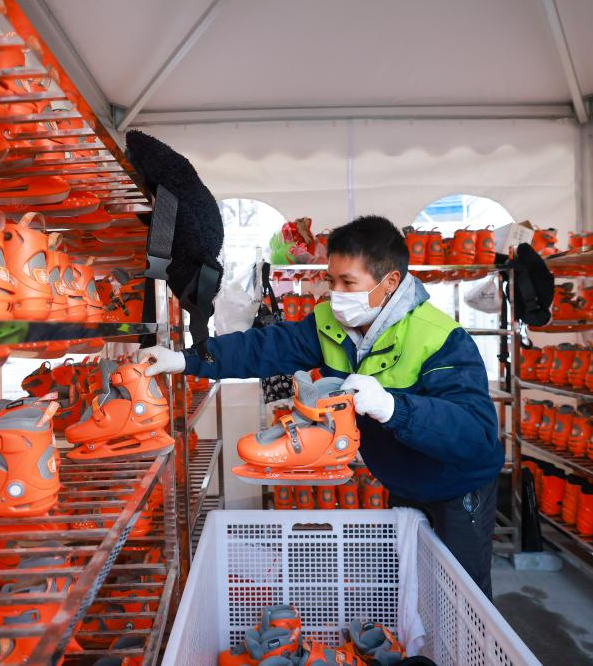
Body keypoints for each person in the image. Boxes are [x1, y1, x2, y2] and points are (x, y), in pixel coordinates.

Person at [140, 216, 503, 598]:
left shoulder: (440, 338)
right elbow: (264, 348)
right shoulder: (331, 322)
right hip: (401, 483)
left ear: (390, 283)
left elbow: (476, 434)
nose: (337, 293)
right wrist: (185, 360)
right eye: (332, 281)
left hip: (458, 490)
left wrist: (393, 408)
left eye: (349, 283)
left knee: (460, 602)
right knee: (408, 592)